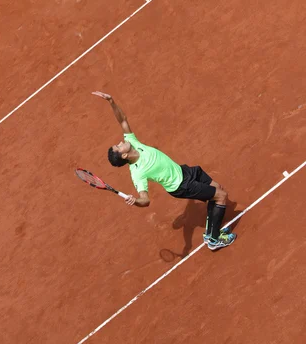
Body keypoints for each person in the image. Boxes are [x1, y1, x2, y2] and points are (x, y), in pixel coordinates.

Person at [92, 91, 237, 251]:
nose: (121, 141)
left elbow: (123, 120)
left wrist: (111, 101)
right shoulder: (137, 173)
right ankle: (214, 240)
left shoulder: (131, 141)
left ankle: (210, 233)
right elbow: (145, 200)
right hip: (181, 185)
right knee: (221, 197)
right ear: (124, 155)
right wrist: (136, 201)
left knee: (219, 191)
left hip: (184, 171)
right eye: (119, 146)